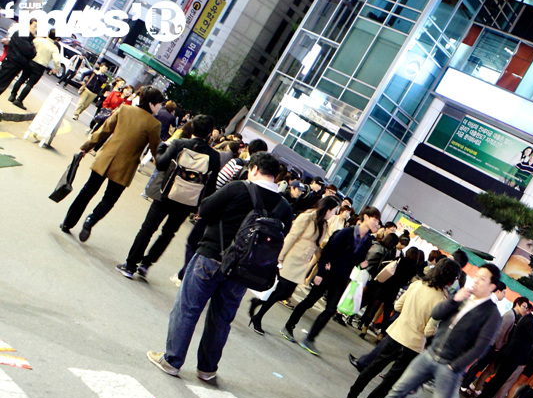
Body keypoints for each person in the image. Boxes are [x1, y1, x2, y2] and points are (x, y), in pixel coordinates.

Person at [147, 152, 293, 381]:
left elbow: (204, 209)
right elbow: (280, 235)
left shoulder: (238, 188)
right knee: (221, 319)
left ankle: (172, 361)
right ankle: (207, 369)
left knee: (188, 309)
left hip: (212, 256)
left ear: (254, 169)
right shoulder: (284, 206)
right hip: (244, 271)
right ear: (275, 176)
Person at [350, 264, 503, 398]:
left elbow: (480, 347)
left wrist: (455, 366)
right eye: (476, 276)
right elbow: (437, 314)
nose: (476, 281)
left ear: (492, 286)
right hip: (430, 355)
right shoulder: (463, 298)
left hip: (449, 366)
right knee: (397, 390)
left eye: (482, 279)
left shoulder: (491, 314)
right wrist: (454, 299)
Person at [347, 258, 460, 398]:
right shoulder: (441, 301)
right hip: (412, 344)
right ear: (449, 278)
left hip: (395, 333)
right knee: (389, 381)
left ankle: (351, 397)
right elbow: (429, 330)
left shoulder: (417, 284)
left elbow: (397, 306)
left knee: (373, 367)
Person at [115, 114, 221, 279]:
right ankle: (146, 264)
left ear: (192, 128)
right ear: (209, 133)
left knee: (148, 229)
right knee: (168, 233)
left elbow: (162, 163)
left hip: (167, 193)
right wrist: (201, 207)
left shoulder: (179, 144)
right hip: (188, 201)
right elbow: (211, 185)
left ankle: (130, 265)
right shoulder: (214, 156)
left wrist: (161, 148)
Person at [61, 86, 164, 241]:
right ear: (151, 104)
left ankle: (67, 223)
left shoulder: (124, 110)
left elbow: (104, 130)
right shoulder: (154, 124)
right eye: (159, 104)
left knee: (87, 190)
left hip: (106, 157)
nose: (160, 107)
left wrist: (85, 148)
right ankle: (91, 220)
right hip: (125, 167)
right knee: (109, 199)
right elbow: (157, 151)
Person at [281, 206, 382, 354]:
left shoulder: (367, 241)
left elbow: (356, 257)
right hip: (328, 273)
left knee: (330, 310)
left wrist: (361, 263)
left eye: (378, 223)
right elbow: (328, 251)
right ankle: (289, 326)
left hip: (341, 278)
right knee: (309, 301)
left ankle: (310, 338)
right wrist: (320, 272)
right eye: (375, 220)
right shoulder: (346, 233)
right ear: (365, 217)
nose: (377, 225)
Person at [247, 195, 341, 334]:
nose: (334, 214)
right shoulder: (308, 217)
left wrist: (324, 261)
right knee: (281, 290)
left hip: (302, 263)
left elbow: (317, 246)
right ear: (327, 209)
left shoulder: (324, 224)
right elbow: (292, 236)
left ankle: (257, 303)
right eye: (334, 211)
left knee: (286, 294)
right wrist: (280, 257)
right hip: (291, 258)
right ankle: (258, 317)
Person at [474, 301, 533, 398]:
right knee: (498, 381)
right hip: (512, 356)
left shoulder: (530, 320)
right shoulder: (529, 320)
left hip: (513, 355)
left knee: (498, 380)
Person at [462, 296, 530, 395]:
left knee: (480, 366)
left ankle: (467, 383)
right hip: (493, 345)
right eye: (524, 306)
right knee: (479, 365)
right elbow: (501, 332)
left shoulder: (513, 316)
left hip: (494, 345)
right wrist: (498, 346)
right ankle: (465, 384)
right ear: (517, 304)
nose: (525, 309)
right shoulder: (510, 315)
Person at [8, 27, 60, 109]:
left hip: (30, 61)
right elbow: (56, 60)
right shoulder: (54, 48)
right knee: (30, 84)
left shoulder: (38, 39)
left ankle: (12, 95)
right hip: (40, 67)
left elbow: (29, 46)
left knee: (21, 79)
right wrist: (57, 68)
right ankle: (19, 100)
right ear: (57, 38)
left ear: (48, 34)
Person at [0, 18, 37, 100]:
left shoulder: (28, 38)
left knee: (3, 84)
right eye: (34, 26)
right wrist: (32, 51)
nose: (36, 29)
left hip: (15, 64)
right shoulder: (22, 34)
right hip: (12, 63)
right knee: (2, 83)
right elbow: (30, 52)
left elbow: (32, 52)